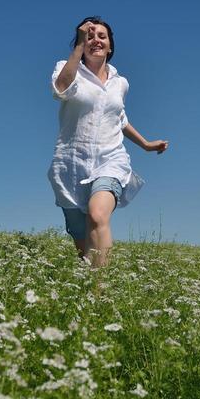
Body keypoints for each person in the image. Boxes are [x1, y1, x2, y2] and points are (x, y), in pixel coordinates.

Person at [48, 17, 168, 268]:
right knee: (83, 244)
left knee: (97, 214)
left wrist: (145, 144)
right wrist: (78, 47)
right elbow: (60, 88)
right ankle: (88, 282)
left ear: (110, 45)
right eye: (89, 35)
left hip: (110, 158)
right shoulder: (66, 67)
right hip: (71, 163)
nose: (96, 40)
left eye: (101, 36)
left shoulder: (120, 83)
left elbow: (119, 119)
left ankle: (100, 293)